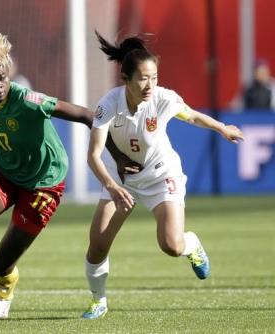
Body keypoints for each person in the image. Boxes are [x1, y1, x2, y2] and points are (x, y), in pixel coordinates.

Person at [0, 30, 138, 319]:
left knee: (2, 264)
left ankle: (4, 294)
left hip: (43, 184)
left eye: (2, 77)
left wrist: (118, 156)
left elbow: (89, 116)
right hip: (5, 172)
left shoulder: (28, 99)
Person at [80, 32, 244, 319]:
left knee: (171, 245)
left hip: (160, 175)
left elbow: (191, 115)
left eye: (154, 77)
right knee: (97, 247)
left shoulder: (163, 98)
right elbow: (93, 155)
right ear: (126, 79)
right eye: (143, 78)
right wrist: (111, 185)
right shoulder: (108, 104)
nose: (150, 85)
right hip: (121, 181)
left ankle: (191, 242)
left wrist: (222, 128)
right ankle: (98, 301)